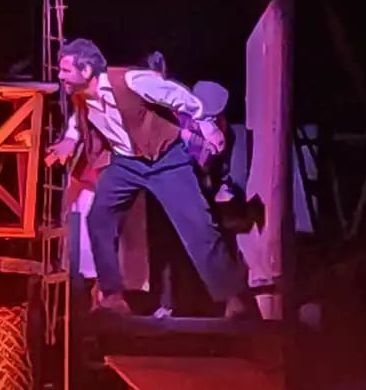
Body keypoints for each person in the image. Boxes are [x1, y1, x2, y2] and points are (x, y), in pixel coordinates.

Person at [45, 39, 255, 318]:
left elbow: (175, 94)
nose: (60, 76)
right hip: (125, 162)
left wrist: (205, 123)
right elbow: (78, 119)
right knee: (99, 218)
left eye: (66, 70)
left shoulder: (131, 81)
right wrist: (70, 140)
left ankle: (234, 298)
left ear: (86, 70)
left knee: (197, 226)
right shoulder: (81, 95)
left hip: (166, 159)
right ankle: (112, 297)